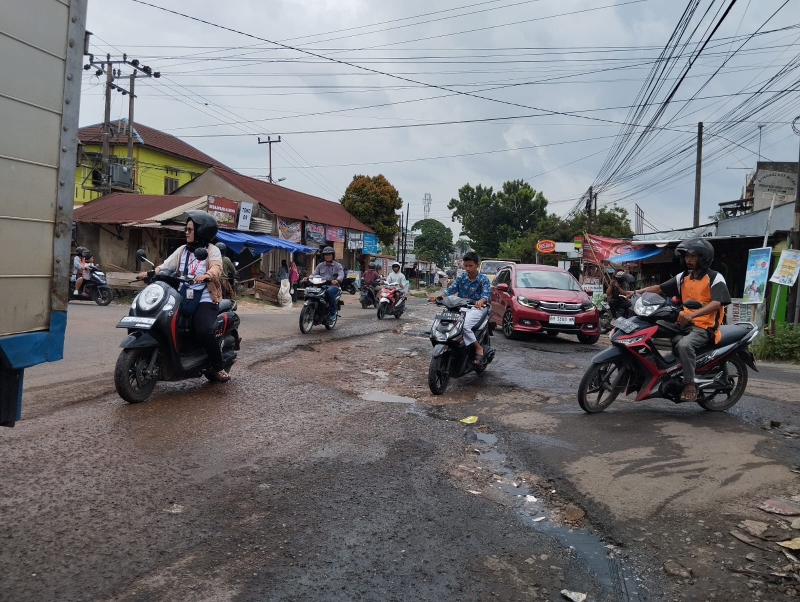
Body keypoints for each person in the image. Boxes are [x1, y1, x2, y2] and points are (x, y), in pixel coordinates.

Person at [634, 238, 730, 402]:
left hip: (704, 327)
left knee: (684, 345)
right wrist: (637, 292)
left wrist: (693, 315)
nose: (688, 259)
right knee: (648, 327)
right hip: (683, 323)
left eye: (693, 256)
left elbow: (717, 303)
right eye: (686, 256)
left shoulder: (715, 277)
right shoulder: (683, 277)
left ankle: (689, 384)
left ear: (704, 257)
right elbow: (659, 288)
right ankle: (653, 370)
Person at [139, 211, 230, 382]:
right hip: (182, 296)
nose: (186, 232)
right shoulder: (182, 250)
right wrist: (150, 273)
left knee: (204, 330)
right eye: (186, 229)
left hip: (205, 298)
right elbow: (166, 266)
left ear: (202, 231)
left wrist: (207, 275)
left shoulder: (213, 250)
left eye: (190, 229)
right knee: (163, 320)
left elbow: (217, 268)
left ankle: (218, 367)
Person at [429, 251, 491, 365]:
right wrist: (437, 298)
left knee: (465, 326)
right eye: (465, 266)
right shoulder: (461, 277)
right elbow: (449, 291)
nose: (467, 268)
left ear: (477, 265)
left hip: (475, 309)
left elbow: (486, 295)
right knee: (446, 323)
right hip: (460, 308)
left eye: (470, 266)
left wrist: (480, 301)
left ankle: (478, 348)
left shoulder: (483, 279)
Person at [309, 246, 344, 323]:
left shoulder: (338, 266)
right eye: (326, 255)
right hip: (321, 286)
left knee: (329, 291)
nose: (327, 256)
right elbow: (314, 274)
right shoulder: (320, 265)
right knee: (310, 291)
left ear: (333, 255)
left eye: (329, 255)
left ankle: (332, 312)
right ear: (323, 256)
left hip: (333, 287)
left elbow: (341, 274)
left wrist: (337, 280)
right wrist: (308, 278)